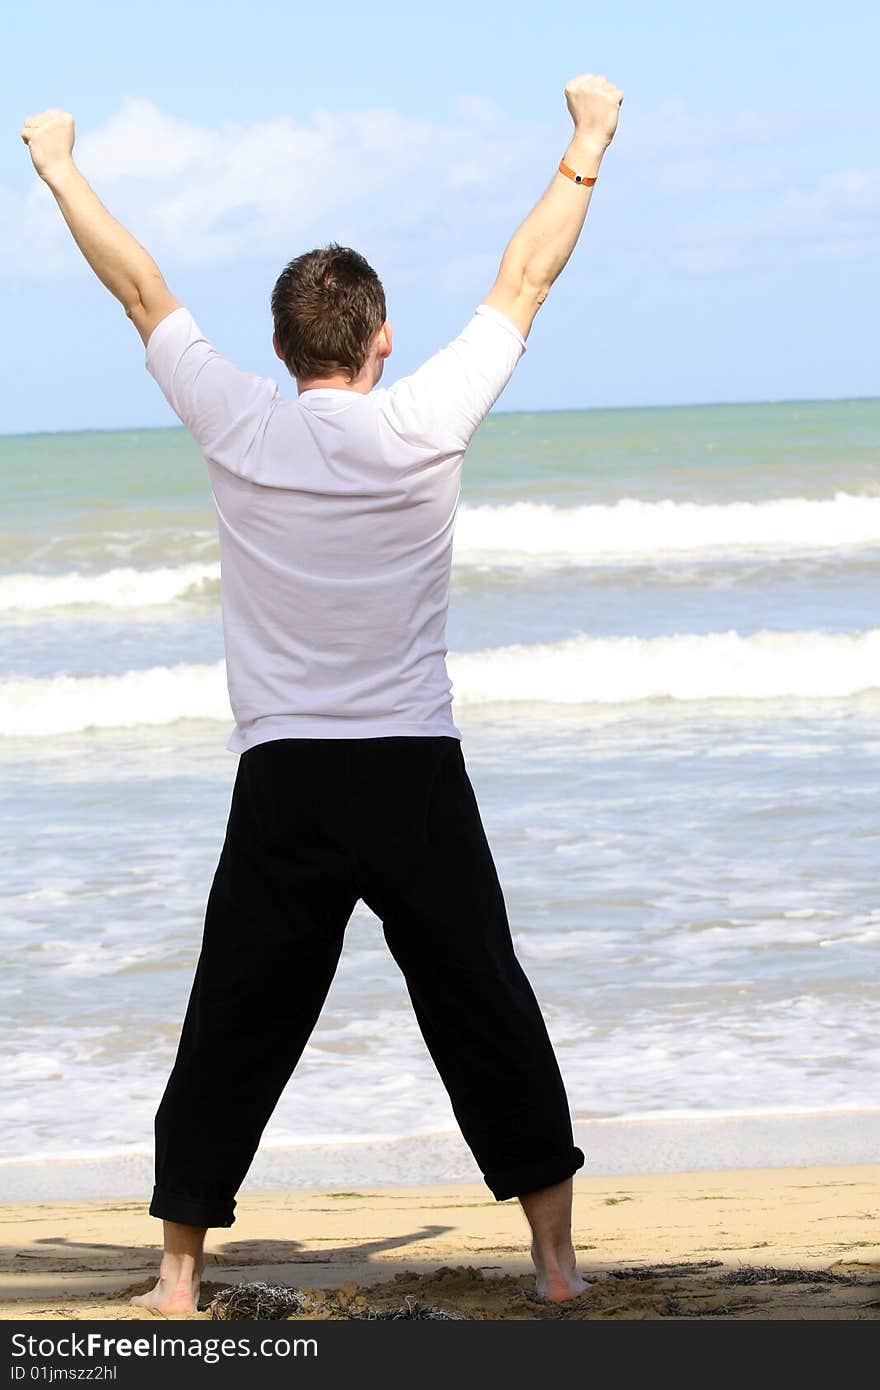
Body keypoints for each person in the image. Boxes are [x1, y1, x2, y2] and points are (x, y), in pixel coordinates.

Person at [21, 71, 623, 1313]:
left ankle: (179, 1278)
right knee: (483, 1005)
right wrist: (587, 138)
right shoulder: (425, 421)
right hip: (412, 770)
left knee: (233, 1019)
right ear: (381, 338)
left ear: (283, 348)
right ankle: (556, 1265)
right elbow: (525, 280)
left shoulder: (236, 419)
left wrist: (61, 168)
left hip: (288, 778)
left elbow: (138, 286)